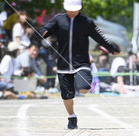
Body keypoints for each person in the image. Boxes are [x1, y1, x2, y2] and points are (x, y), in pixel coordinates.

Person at [37, 0, 120, 129]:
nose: (71, 12)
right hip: (63, 64)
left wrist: (111, 48)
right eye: (69, 10)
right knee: (67, 96)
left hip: (81, 62)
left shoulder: (86, 22)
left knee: (84, 88)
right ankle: (72, 117)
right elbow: (46, 29)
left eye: (74, 10)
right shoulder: (58, 19)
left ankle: (80, 80)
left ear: (79, 8)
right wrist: (41, 32)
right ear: (65, 7)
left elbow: (99, 37)